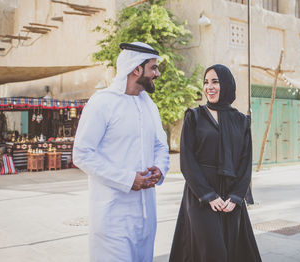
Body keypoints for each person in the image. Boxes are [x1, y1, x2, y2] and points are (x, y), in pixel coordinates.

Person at [73, 42, 170, 262]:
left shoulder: (149, 105)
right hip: (112, 217)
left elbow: (161, 145)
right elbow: (82, 153)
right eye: (153, 68)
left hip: (146, 217)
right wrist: (127, 179)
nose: (157, 73)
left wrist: (160, 169)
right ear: (136, 69)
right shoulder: (102, 103)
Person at [169, 64, 262, 262]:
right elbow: (187, 160)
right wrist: (208, 195)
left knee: (232, 250)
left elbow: (245, 162)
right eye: (206, 82)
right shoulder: (194, 117)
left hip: (231, 198)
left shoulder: (241, 121)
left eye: (215, 81)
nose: (209, 87)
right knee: (211, 252)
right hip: (201, 196)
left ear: (227, 84)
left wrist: (237, 197)